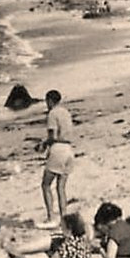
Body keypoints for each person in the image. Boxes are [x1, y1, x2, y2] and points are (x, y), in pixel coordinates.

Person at [38, 89, 74, 222]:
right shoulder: (66, 112)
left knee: (46, 184)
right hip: (69, 149)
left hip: (58, 149)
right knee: (61, 187)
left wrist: (43, 144)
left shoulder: (52, 114)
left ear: (50, 101)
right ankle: (64, 216)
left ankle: (50, 216)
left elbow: (52, 136)